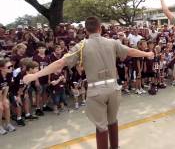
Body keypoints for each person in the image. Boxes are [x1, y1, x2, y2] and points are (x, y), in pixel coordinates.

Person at [23, 16, 154, 149]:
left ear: (86, 30)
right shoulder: (112, 42)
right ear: (100, 28)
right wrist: (147, 54)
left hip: (96, 90)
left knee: (101, 126)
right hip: (114, 88)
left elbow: (60, 63)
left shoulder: (81, 46)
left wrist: (35, 75)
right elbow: (130, 51)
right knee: (113, 121)